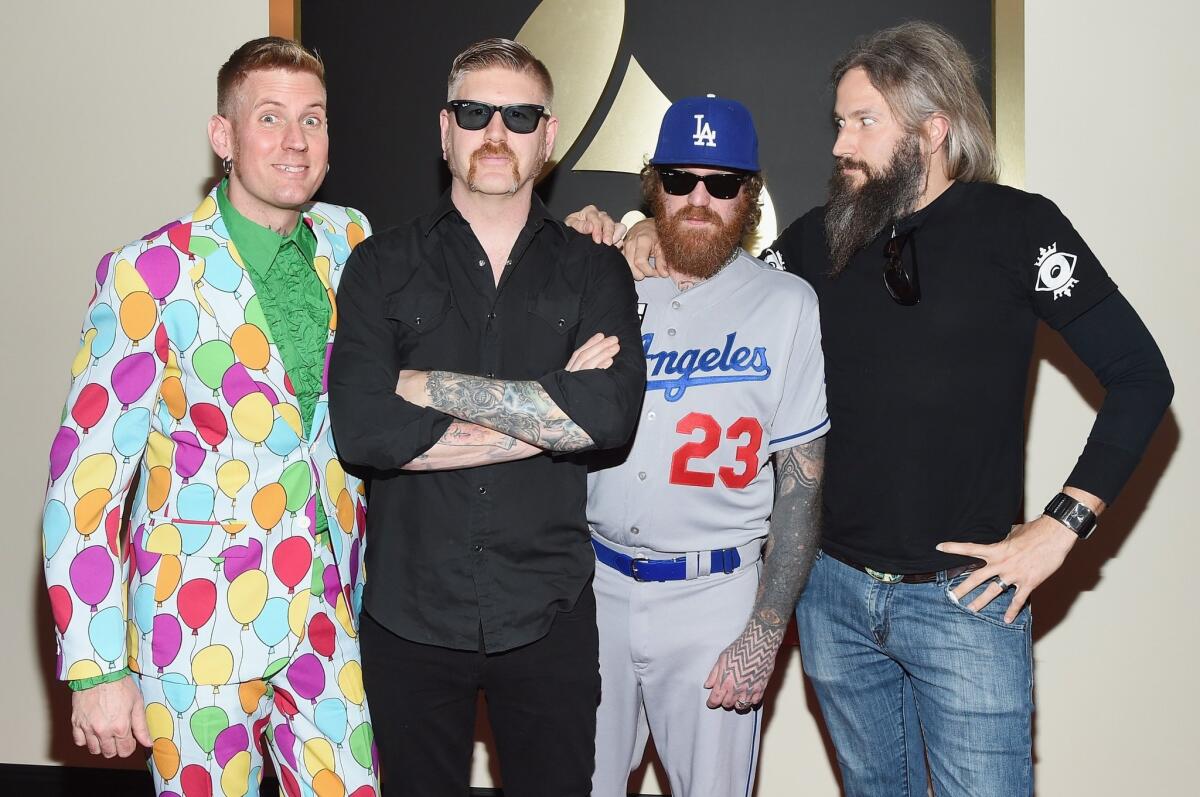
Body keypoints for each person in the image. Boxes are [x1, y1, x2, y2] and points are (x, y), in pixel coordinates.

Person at [579, 20, 1174, 797]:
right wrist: (634, 234)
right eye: (839, 122)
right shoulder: (821, 240)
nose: (839, 144)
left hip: (966, 599)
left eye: (864, 122)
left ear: (934, 129)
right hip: (831, 595)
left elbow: (1141, 376)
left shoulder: (1021, 228)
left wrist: (1062, 526)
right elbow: (717, 273)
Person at [42, 37, 379, 795]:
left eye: (314, 119)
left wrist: (628, 233)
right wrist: (96, 664)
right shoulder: (150, 273)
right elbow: (85, 478)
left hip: (329, 619)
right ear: (223, 136)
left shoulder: (350, 241)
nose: (296, 141)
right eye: (270, 117)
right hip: (196, 630)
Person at [327, 38, 644, 797]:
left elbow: (607, 417)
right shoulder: (380, 264)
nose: (495, 131)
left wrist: (421, 383)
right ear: (445, 130)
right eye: (474, 112)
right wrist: (552, 398)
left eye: (519, 114)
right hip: (409, 617)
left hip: (549, 615)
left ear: (549, 135)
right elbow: (364, 429)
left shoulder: (595, 265)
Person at [584, 95, 827, 797]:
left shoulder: (787, 305)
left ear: (750, 197)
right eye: (679, 179)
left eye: (722, 185)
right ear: (652, 184)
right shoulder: (602, 277)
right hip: (594, 585)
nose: (698, 199)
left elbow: (801, 487)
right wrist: (600, 231)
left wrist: (765, 629)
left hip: (714, 593)